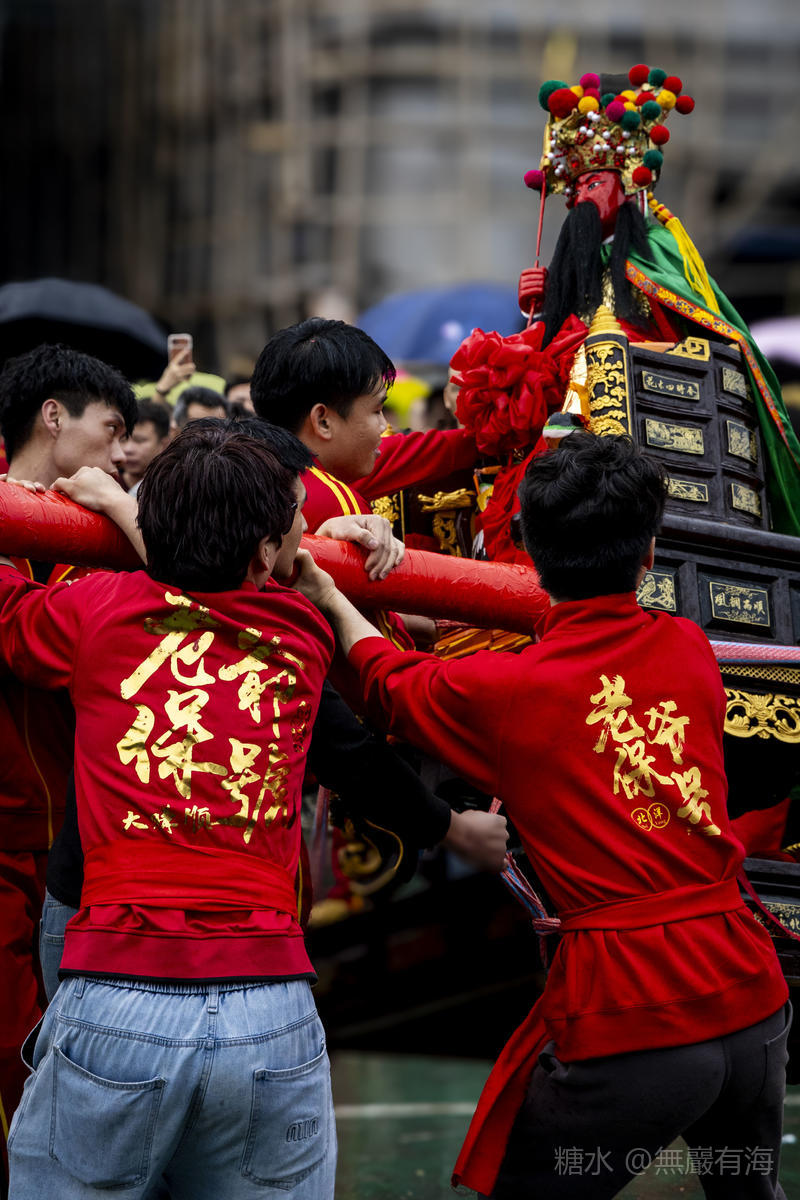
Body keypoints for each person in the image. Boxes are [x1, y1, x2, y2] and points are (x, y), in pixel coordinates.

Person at [294, 430, 791, 1199]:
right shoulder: (688, 645)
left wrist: (328, 594)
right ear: (650, 554)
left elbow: (387, 683)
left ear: (525, 546)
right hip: (752, 995)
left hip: (636, 1011)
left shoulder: (511, 692)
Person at [1, 420, 339, 1199]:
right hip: (273, 1003)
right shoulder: (304, 632)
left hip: (115, 992)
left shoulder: (94, 611)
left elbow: (10, 612)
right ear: (265, 554)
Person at [451, 65, 800, 560]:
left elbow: (698, 333)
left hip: (643, 400)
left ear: (629, 187)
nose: (581, 199)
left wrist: (600, 344)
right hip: (576, 406)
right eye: (574, 192)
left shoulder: (657, 250)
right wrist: (542, 307)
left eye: (593, 184)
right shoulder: (580, 262)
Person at [0, 343, 138, 1191]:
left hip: (77, 851)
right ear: (54, 416)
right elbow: (49, 638)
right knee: (17, 1061)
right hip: (13, 840)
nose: (124, 451)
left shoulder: (84, 532)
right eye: (112, 429)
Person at [251, 317, 479, 649]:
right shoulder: (334, 500)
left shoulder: (250, 469)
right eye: (377, 410)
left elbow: (411, 452)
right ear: (323, 421)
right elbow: (379, 652)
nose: (384, 426)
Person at [122, 396, 172, 494]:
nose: (128, 449)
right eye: (123, 440)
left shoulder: (172, 489)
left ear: (164, 444)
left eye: (139, 441)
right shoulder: (107, 484)